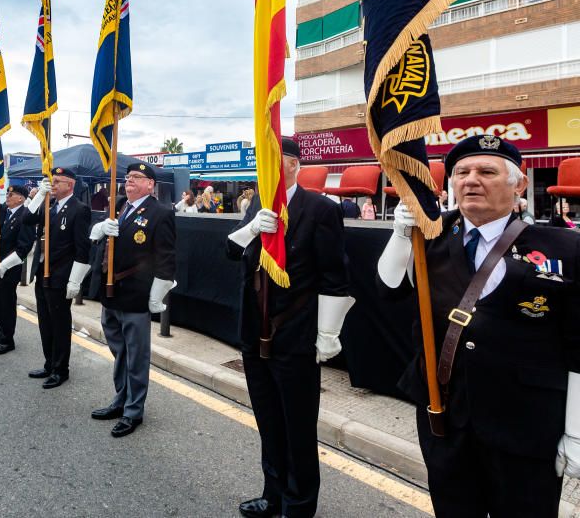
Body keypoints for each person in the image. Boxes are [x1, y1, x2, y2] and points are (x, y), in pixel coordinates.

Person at [376, 135, 580, 517]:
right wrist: (401, 235)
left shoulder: (563, 248)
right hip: (446, 417)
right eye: (461, 172)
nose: (471, 180)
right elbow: (387, 291)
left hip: (525, 425)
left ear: (518, 184)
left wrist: (576, 432)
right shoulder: (430, 235)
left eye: (487, 171)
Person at [226, 138, 349, 518]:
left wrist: (327, 334)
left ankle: (298, 504)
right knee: (267, 420)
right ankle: (273, 493)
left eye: (275, 160)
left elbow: (335, 277)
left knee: (297, 426)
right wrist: (250, 231)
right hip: (254, 332)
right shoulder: (258, 205)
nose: (268, 167)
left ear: (294, 165)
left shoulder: (319, 209)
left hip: (294, 334)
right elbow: (230, 253)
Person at [86, 162, 174, 437]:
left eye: (137, 177)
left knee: (136, 355)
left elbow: (167, 258)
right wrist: (100, 229)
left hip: (136, 291)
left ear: (151, 184)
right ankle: (120, 399)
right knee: (119, 351)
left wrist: (157, 295)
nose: (129, 181)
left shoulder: (160, 213)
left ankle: (133, 410)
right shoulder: (121, 207)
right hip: (111, 291)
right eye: (128, 177)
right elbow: (101, 242)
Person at [23, 167, 91, 388]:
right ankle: (49, 363)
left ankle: (61, 369)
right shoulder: (48, 207)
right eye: (52, 180)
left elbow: (82, 249)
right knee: (44, 321)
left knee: (60, 323)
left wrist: (75, 280)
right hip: (43, 273)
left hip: (61, 275)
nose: (53, 184)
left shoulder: (79, 209)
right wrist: (40, 195)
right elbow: (26, 219)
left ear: (70, 185)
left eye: (58, 181)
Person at [0, 183, 36, 356]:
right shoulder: (4, 211)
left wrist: (4, 264)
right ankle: (0, 334)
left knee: (7, 304)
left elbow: (24, 247)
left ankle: (7, 340)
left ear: (21, 198)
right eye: (7, 195)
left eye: (11, 195)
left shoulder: (25, 216)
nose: (8, 198)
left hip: (8, 269)